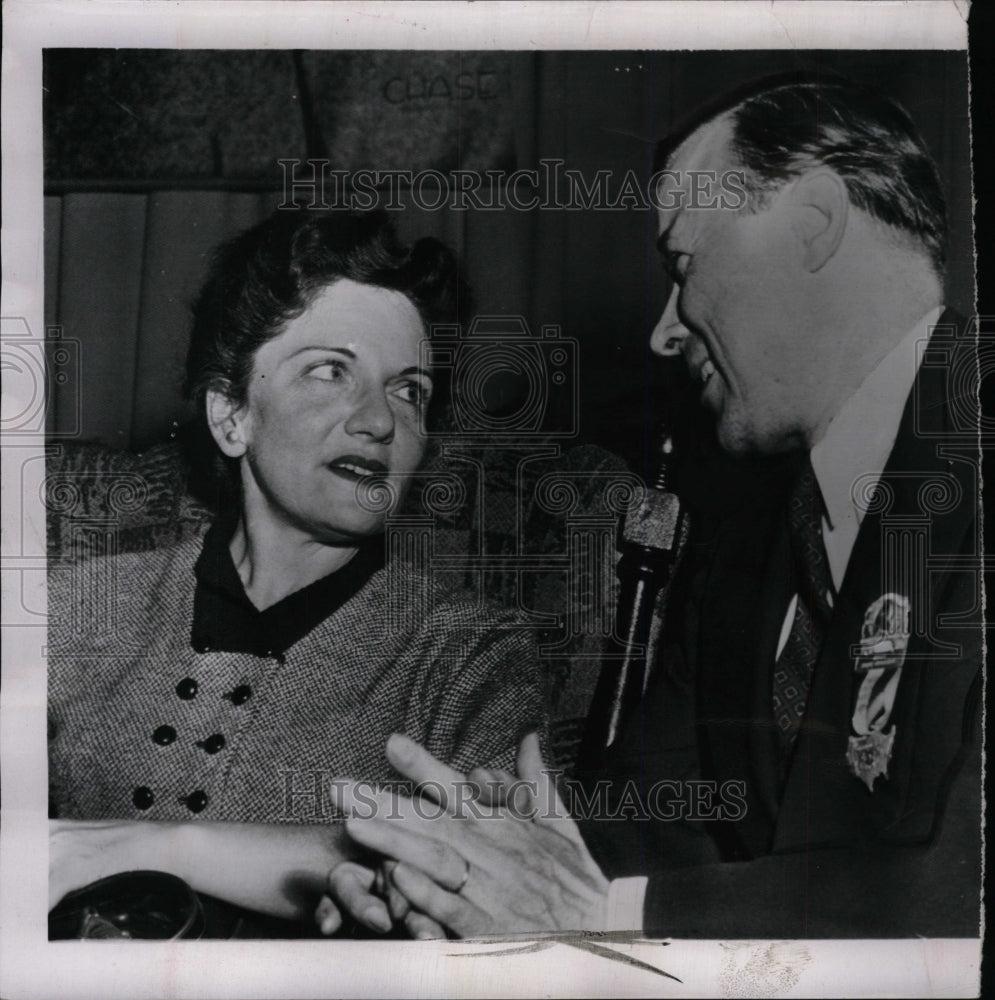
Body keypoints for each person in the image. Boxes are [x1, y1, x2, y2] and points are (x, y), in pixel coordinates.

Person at [320, 75, 983, 939]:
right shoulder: (746, 539)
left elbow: (959, 896)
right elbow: (653, 821)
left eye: (683, 266)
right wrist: (454, 873)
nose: (662, 331)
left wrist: (600, 913)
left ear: (813, 225)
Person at [47, 208, 545, 932]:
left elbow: (491, 876)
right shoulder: (76, 605)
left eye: (409, 391)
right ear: (231, 416)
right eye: (329, 371)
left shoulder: (470, 651)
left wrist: (156, 846)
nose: (379, 420)